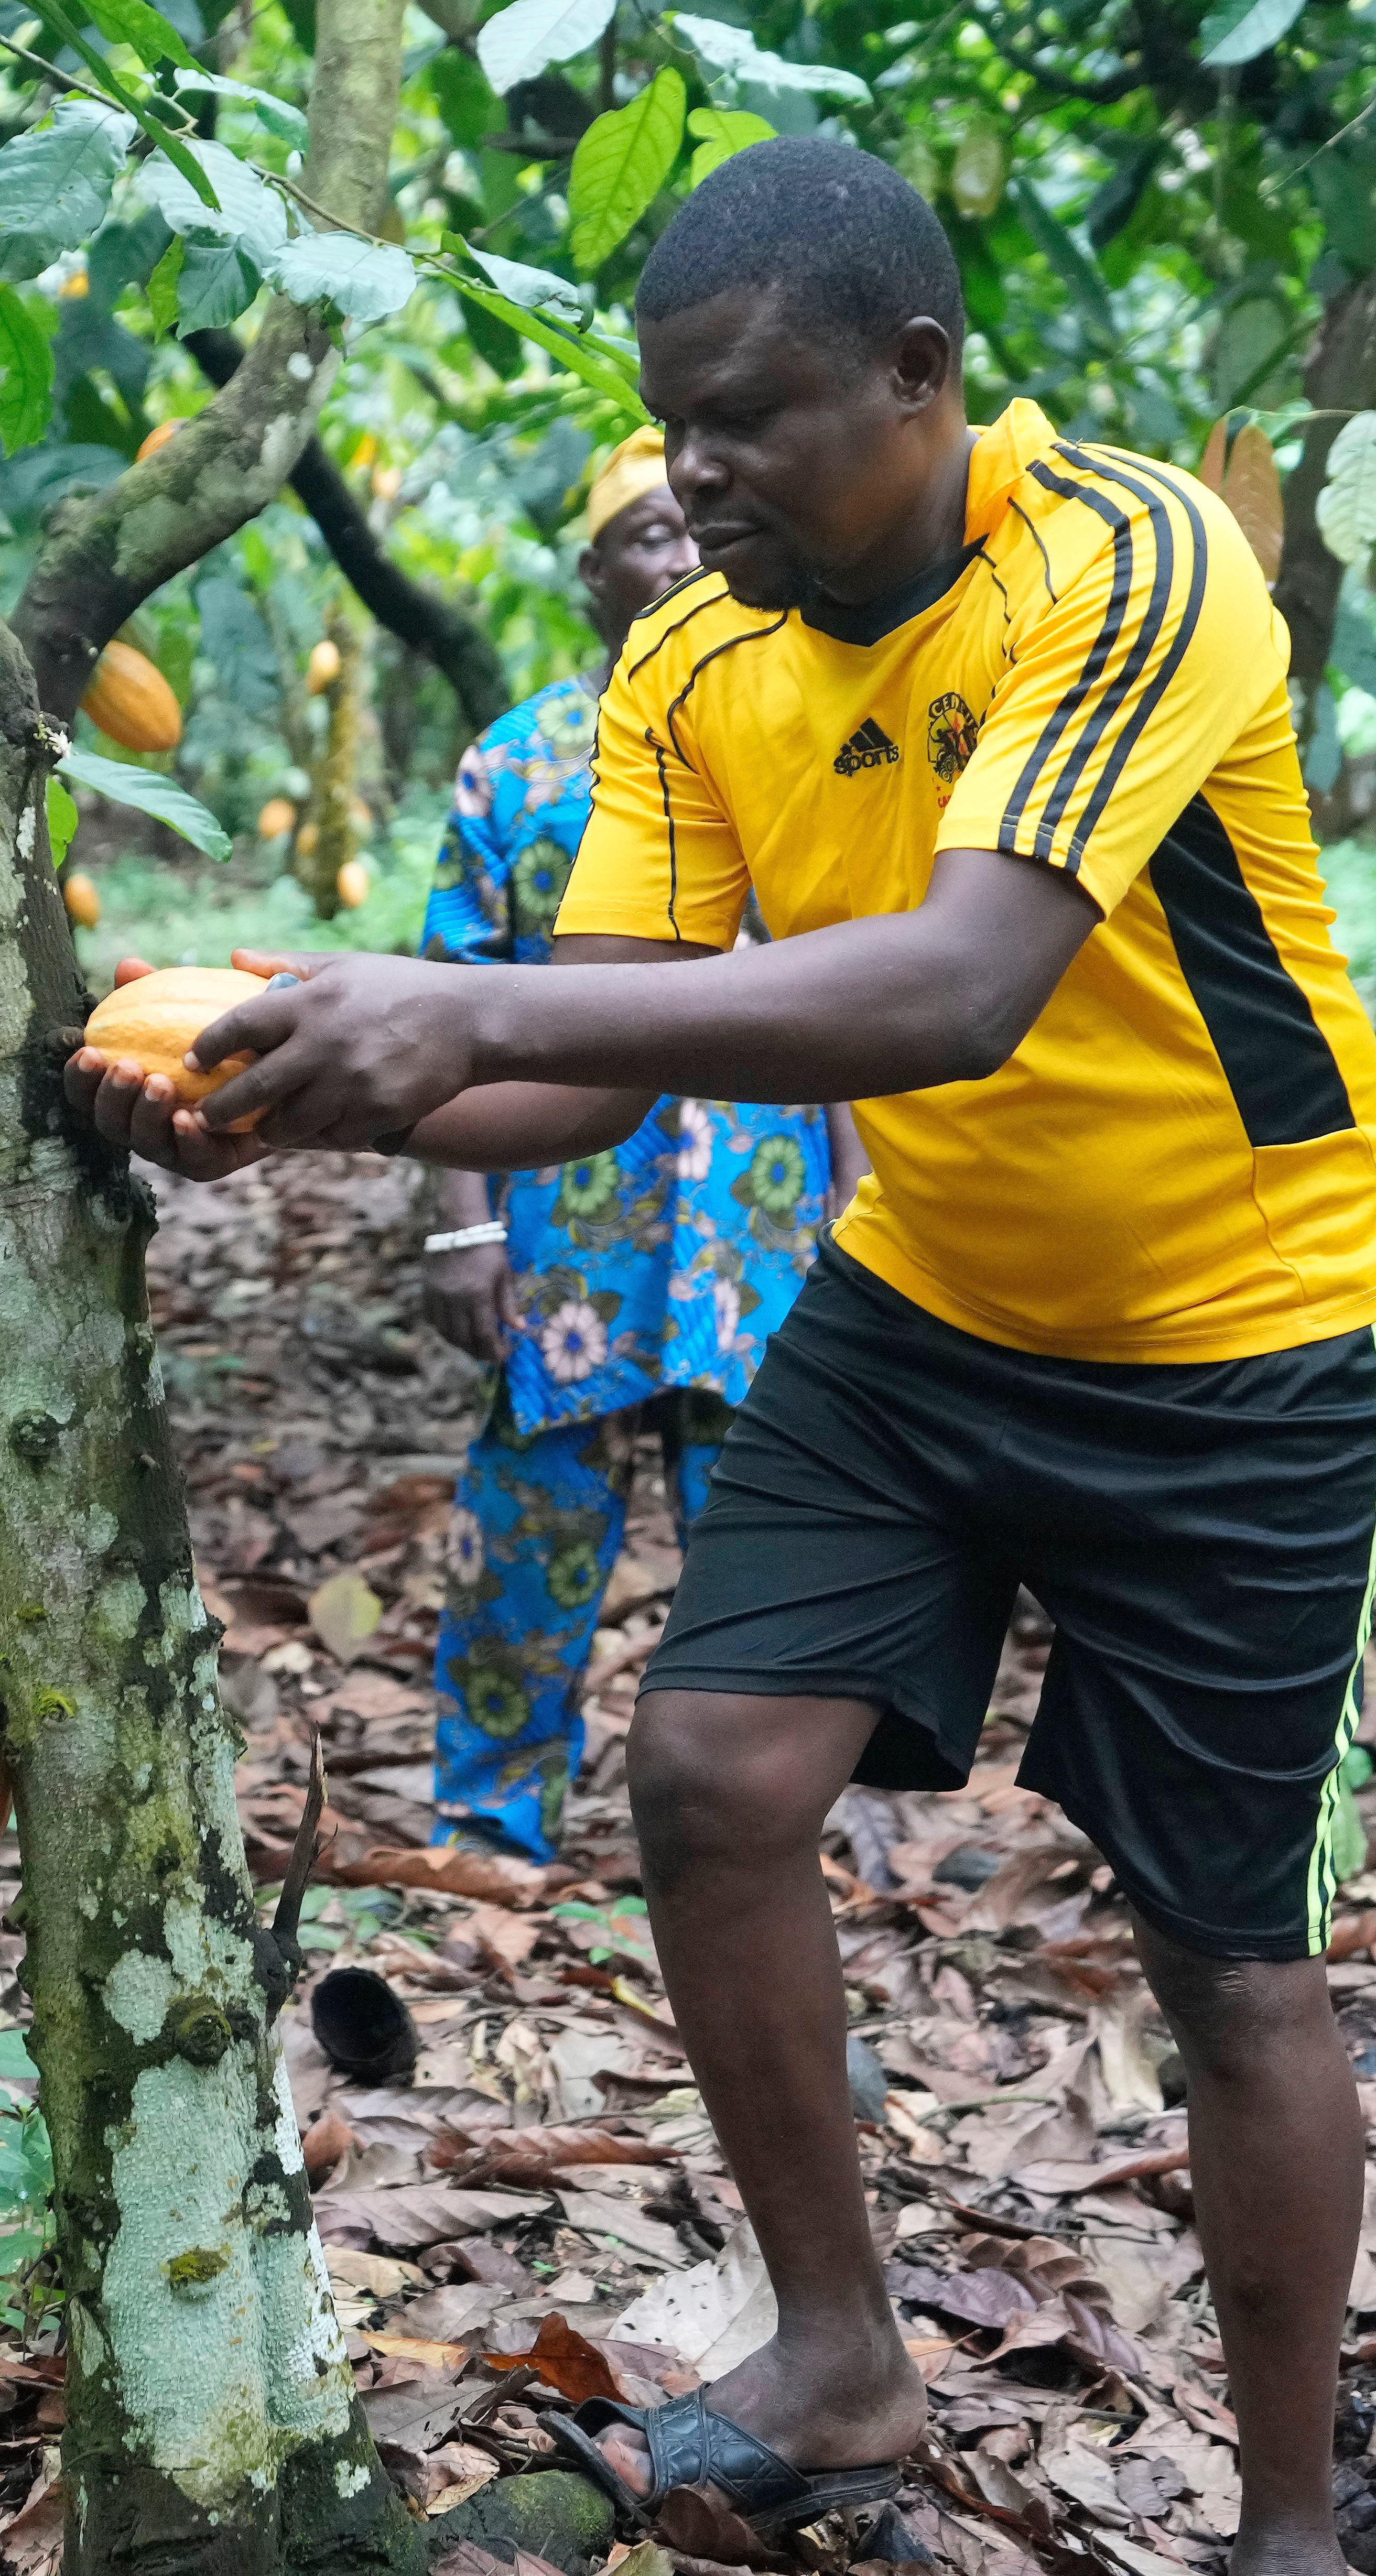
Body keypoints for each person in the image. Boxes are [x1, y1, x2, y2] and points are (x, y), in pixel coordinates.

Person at [72, 135, 1376, 2573]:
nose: (697, 472)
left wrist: (464, 999)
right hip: (921, 1315)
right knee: (704, 1769)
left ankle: (1297, 2521)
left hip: (1248, 1340)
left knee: (1227, 1962)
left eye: (755, 416)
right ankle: (840, 2360)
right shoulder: (695, 660)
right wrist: (289, 1092)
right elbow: (599, 1065)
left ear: (923, 379)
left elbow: (964, 983)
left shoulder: (1127, 565)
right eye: (674, 421)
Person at [415, 431, 839, 1862]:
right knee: (530, 1537)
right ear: (594, 575)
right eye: (641, 538)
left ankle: (779, 1821)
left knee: (770, 1541)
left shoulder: (790, 730)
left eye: (689, 531)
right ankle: (491, 1816)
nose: (675, 557)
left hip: (755, 1225)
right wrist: (463, 1225)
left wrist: (860, 1198)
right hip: (568, 1220)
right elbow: (446, 1000)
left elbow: (846, 991)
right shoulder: (517, 763)